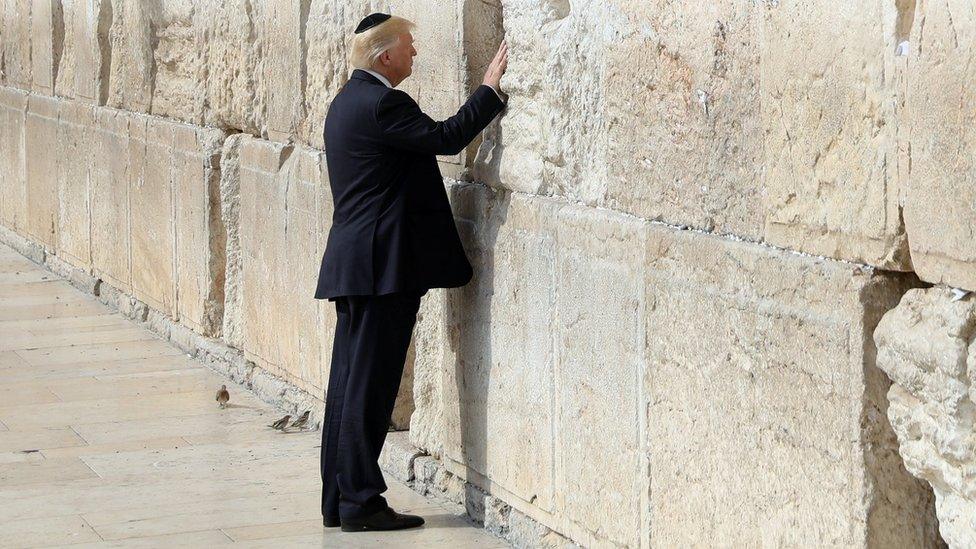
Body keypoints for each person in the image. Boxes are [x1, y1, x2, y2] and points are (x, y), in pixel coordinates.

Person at [314, 12, 509, 532]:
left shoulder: (345, 103)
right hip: (384, 270)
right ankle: (360, 503)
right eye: (409, 46)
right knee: (370, 389)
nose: (415, 54)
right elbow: (445, 138)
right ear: (384, 56)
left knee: (348, 384)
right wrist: (488, 91)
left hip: (354, 264)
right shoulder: (384, 103)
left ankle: (339, 498)